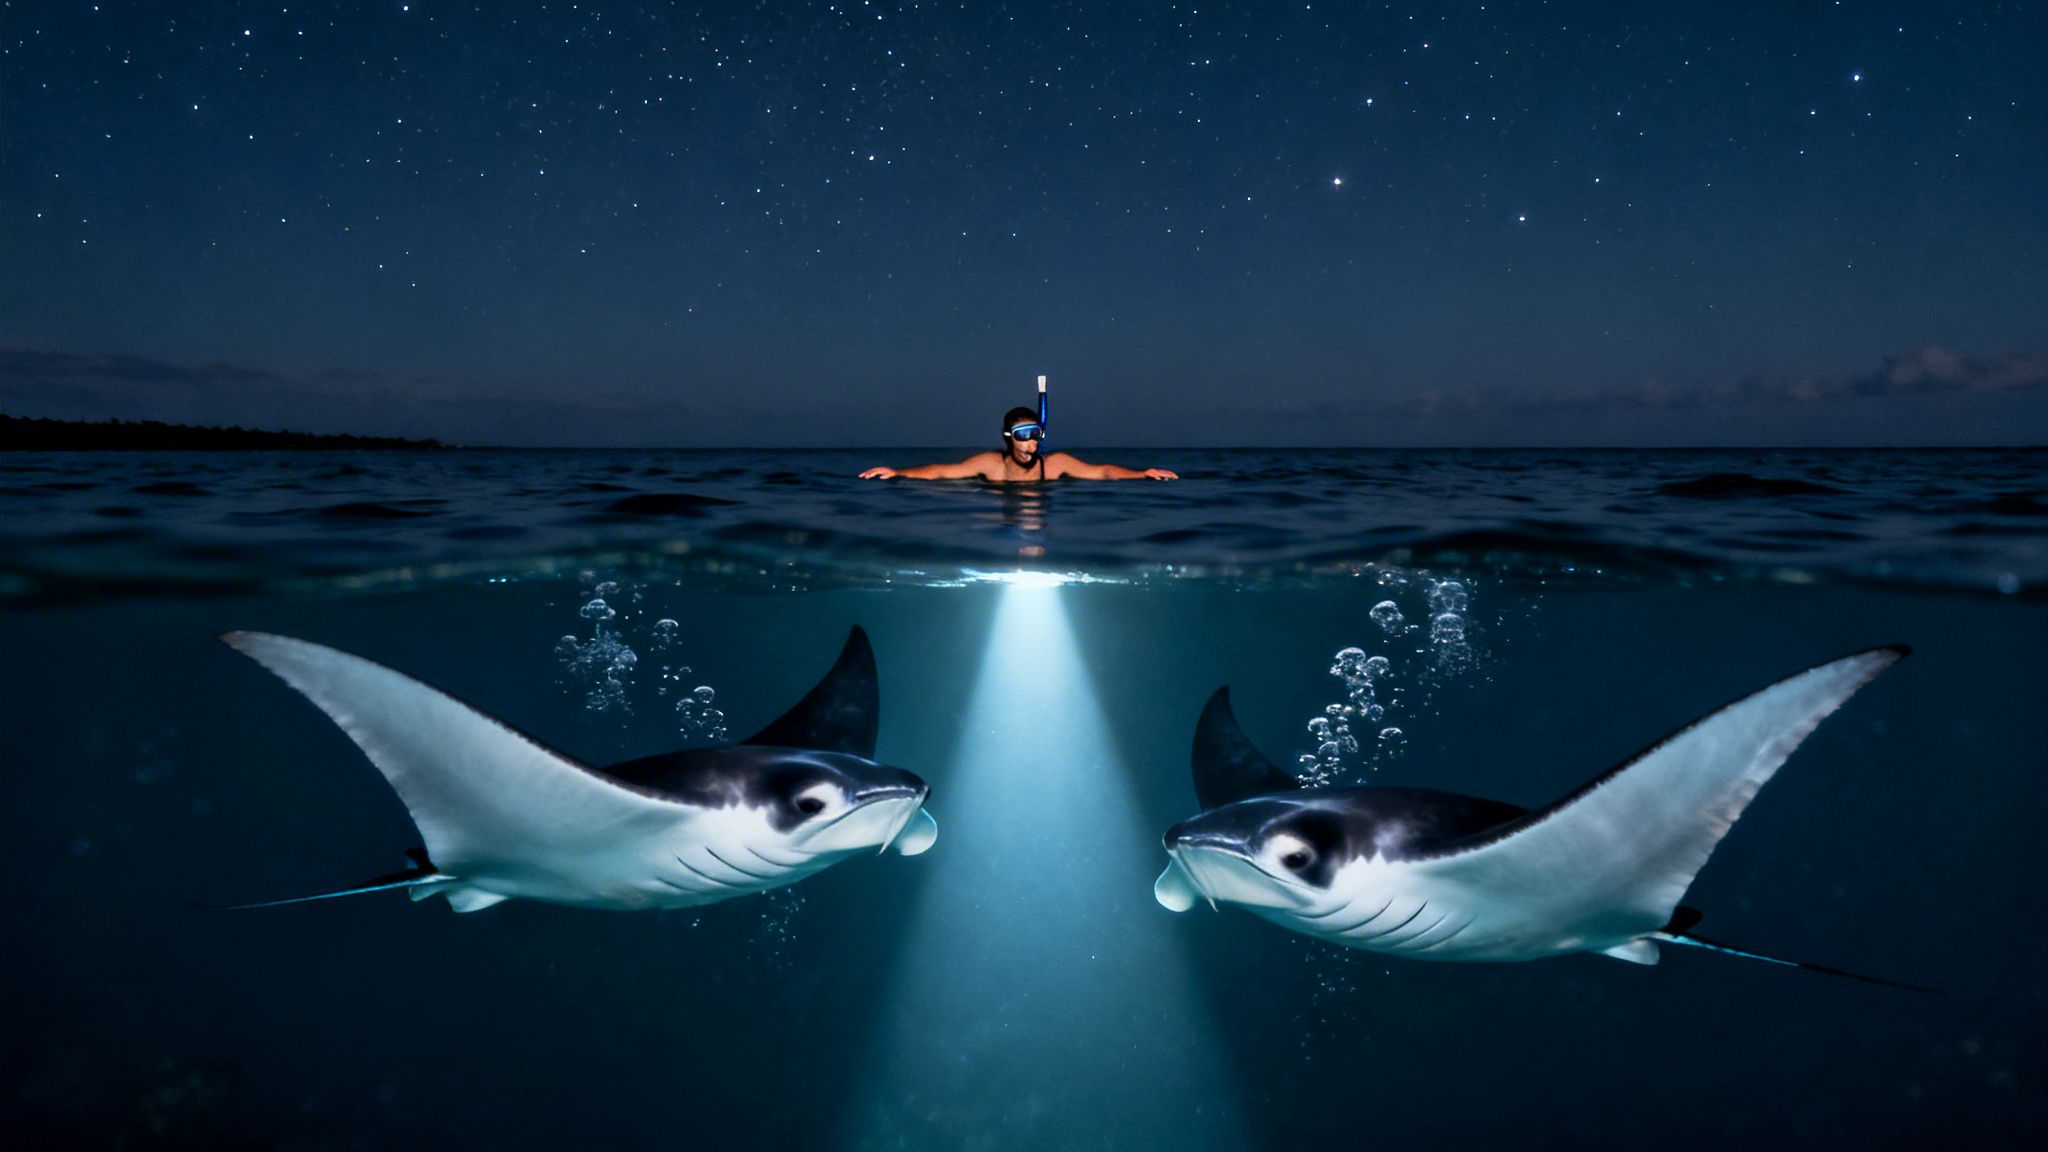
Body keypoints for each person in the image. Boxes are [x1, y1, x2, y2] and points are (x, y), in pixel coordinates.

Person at [860, 407, 1178, 482]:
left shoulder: (1053, 465)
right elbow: (943, 471)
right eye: (1023, 436)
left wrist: (1142, 474)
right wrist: (899, 472)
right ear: (1009, 438)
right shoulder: (992, 465)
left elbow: (1103, 472)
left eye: (1035, 435)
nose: (1030, 444)